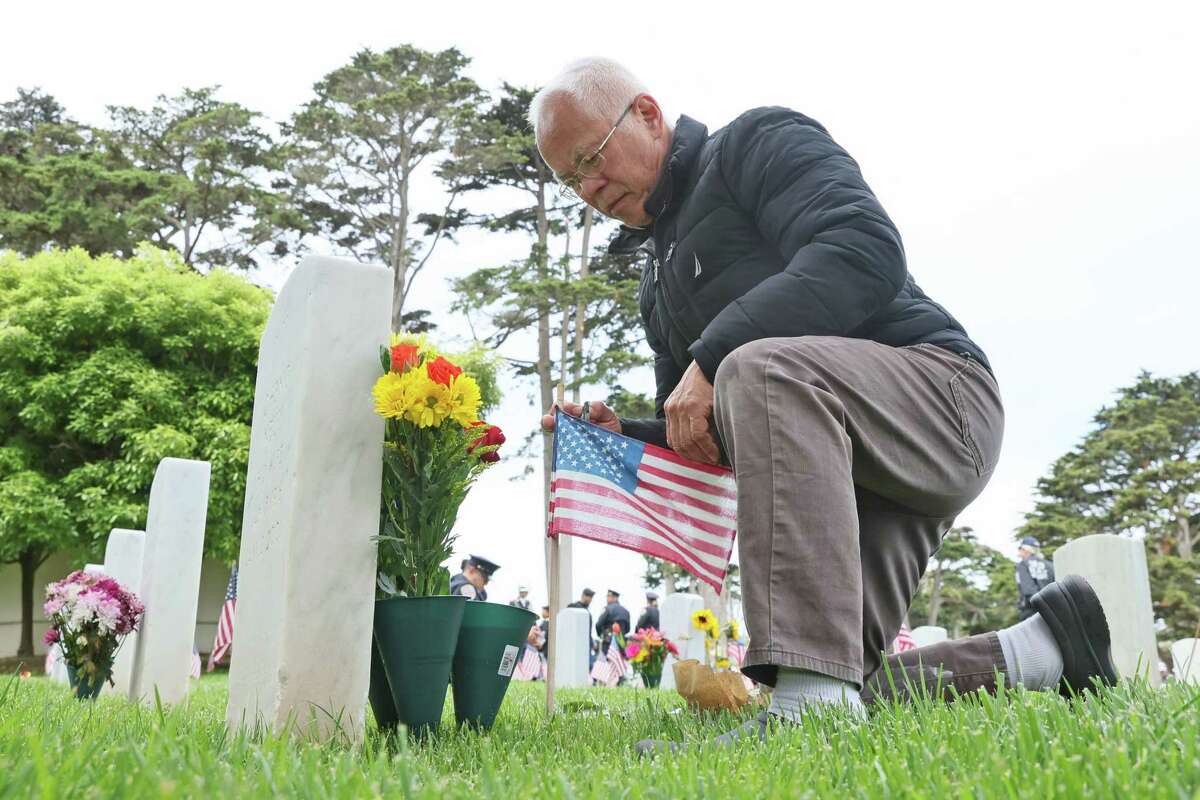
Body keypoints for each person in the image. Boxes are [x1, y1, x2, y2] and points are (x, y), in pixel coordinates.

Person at [532, 58, 1117, 752]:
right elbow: (706, 433)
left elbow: (865, 251)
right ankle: (1045, 647)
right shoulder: (655, 284)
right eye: (571, 181)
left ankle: (810, 712)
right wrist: (628, 434)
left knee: (756, 366)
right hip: (848, 478)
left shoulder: (754, 143)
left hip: (940, 402)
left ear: (649, 115)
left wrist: (715, 355)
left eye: (592, 158)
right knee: (840, 677)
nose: (591, 189)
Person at [1015, 537, 1056, 620]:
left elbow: (1028, 590)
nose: (1019, 551)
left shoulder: (1023, 564)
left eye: (1020, 548)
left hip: (1031, 611)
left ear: (1026, 549)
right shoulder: (1050, 565)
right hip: (1052, 610)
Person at [595, 589, 631, 654]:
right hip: (621, 644)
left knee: (605, 663)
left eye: (609, 596)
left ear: (615, 598)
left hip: (608, 643)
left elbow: (598, 624)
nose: (607, 599)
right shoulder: (626, 611)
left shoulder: (607, 609)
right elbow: (628, 629)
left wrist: (600, 635)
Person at [567, 588, 597, 665]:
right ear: (583, 596)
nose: (590, 599)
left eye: (591, 597)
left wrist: (592, 643)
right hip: (576, 644)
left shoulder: (587, 610)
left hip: (586, 644)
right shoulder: (573, 607)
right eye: (588, 596)